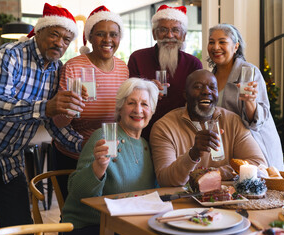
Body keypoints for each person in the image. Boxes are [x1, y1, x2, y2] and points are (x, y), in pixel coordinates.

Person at [0, 3, 84, 235]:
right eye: (55, 34)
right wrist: (45, 107)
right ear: (39, 31)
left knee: (21, 232)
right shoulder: (10, 54)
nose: (60, 43)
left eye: (67, 39)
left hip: (9, 161)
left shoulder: (57, 69)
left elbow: (52, 123)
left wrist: (85, 146)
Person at [62, 78, 159, 235]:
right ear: (120, 108)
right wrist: (98, 167)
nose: (138, 110)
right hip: (91, 226)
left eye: (144, 104)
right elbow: (76, 191)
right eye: (131, 103)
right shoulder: (104, 138)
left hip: (128, 225)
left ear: (152, 111)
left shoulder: (146, 145)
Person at [52, 5, 129, 200]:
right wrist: (70, 108)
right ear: (90, 37)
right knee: (73, 214)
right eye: (100, 34)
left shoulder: (123, 68)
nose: (108, 40)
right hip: (73, 155)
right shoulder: (74, 66)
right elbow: (59, 122)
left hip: (110, 155)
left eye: (113, 34)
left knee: (105, 212)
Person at [150, 69, 267, 187]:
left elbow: (259, 165)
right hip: (183, 202)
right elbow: (165, 180)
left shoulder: (233, 121)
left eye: (212, 87)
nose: (206, 91)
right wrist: (193, 154)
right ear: (185, 94)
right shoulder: (164, 127)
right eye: (198, 87)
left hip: (228, 200)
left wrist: (212, 174)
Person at [207, 23, 284, 171]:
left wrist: (250, 102)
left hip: (255, 146)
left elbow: (256, 123)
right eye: (211, 42)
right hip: (227, 147)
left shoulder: (249, 72)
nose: (215, 47)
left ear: (235, 47)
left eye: (222, 42)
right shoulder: (210, 77)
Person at [128, 4, 203, 140]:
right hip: (143, 132)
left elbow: (198, 102)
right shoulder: (137, 58)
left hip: (180, 132)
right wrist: (145, 89)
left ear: (184, 36)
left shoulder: (194, 64)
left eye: (175, 30)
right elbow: (127, 97)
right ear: (154, 34)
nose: (169, 35)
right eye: (163, 29)